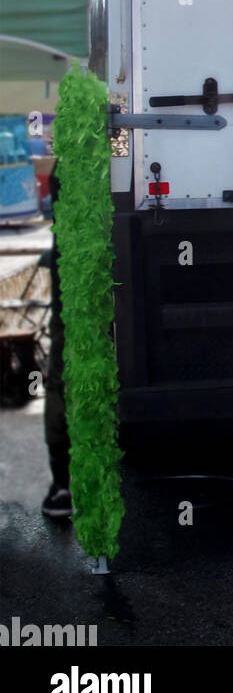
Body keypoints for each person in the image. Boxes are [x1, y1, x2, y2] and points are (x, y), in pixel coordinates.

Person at [40, 165, 71, 519]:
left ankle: (63, 484)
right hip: (88, 303)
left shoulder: (66, 167)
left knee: (62, 386)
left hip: (69, 306)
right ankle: (64, 482)